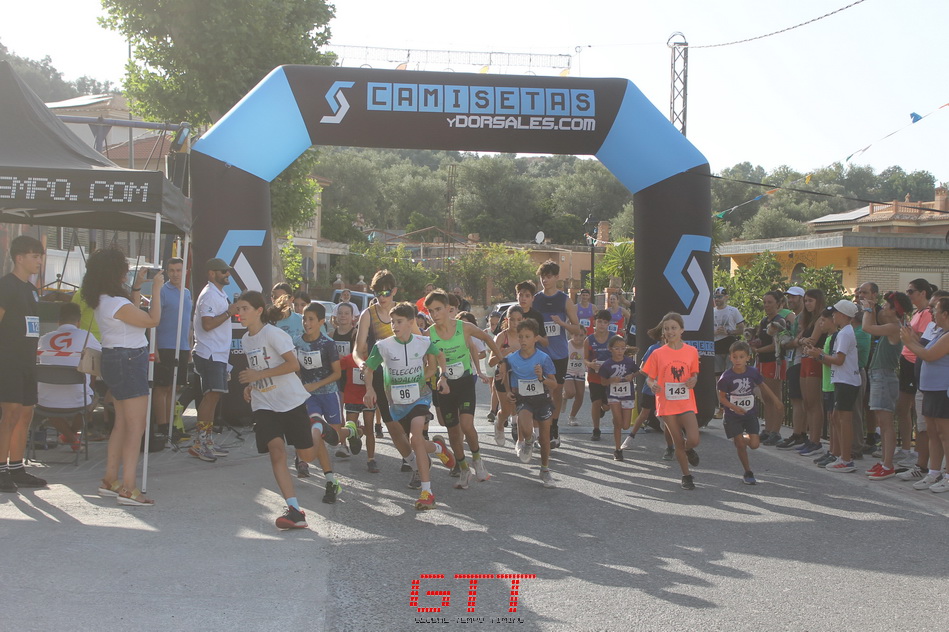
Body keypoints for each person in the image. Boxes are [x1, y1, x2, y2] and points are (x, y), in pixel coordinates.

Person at [82, 247, 163, 505]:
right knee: (136, 426)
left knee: (122, 424)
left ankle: (110, 479)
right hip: (129, 360)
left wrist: (137, 288)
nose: (125, 273)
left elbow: (133, 316)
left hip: (115, 358)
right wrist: (156, 289)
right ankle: (129, 487)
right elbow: (152, 320)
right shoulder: (116, 303)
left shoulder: (104, 300)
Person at [234, 291, 318, 529]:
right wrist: (252, 385)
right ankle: (294, 510)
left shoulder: (273, 334)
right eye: (238, 309)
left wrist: (258, 375)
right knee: (276, 451)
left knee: (307, 456)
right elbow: (258, 369)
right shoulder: (246, 339)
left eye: (245, 308)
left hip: (290, 401)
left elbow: (293, 365)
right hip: (264, 404)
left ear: (259, 310)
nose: (240, 313)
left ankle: (321, 429)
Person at [363, 301, 454, 510]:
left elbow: (440, 356)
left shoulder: (423, 342)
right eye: (392, 322)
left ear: (411, 322)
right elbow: (369, 368)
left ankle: (427, 492)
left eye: (399, 321)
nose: (394, 325)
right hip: (397, 403)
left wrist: (443, 376)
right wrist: (369, 389)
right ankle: (438, 448)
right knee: (417, 443)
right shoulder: (383, 346)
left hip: (420, 398)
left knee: (415, 437)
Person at [354, 270, 429, 487]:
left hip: (408, 376)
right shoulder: (368, 314)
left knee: (412, 427)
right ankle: (416, 467)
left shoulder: (405, 311)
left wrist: (429, 369)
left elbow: (421, 342)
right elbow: (358, 349)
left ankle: (423, 458)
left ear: (394, 291)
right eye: (377, 293)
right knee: (393, 427)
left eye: (386, 292)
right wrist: (361, 363)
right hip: (383, 378)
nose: (381, 297)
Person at [426, 292, 501, 488]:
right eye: (431, 311)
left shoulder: (464, 327)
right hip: (445, 385)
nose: (435, 314)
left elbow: (486, 338)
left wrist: (501, 361)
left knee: (467, 425)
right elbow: (431, 366)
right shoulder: (429, 334)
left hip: (465, 382)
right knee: (452, 432)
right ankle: (464, 469)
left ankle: (477, 460)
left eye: (438, 309)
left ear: (448, 308)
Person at [294, 301, 357, 503]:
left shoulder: (328, 343)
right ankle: (330, 480)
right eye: (304, 319)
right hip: (309, 397)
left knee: (335, 438)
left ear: (321, 321)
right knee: (317, 431)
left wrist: (316, 384)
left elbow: (337, 373)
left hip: (329, 395)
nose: (307, 323)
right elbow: (295, 368)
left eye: (311, 319)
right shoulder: (297, 342)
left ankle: (351, 431)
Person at [0, 235, 48, 493]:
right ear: (19, 258)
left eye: (40, 256)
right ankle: (1, 470)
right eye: (35, 256)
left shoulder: (31, 289)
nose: (39, 261)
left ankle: (17, 467)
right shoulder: (6, 286)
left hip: (29, 360)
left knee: (26, 413)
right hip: (8, 360)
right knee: (10, 413)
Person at [643, 312, 701, 490]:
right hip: (666, 403)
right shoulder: (657, 353)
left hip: (686, 401)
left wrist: (694, 379)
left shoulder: (691, 351)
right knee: (678, 441)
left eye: (674, 328)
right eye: (666, 328)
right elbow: (649, 378)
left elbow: (694, 373)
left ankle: (689, 449)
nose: (670, 331)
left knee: (693, 439)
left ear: (682, 330)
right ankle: (686, 476)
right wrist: (653, 385)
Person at [499, 319, 558, 488]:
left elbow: (554, 384)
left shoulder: (543, 358)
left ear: (535, 338)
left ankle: (545, 470)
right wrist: (508, 391)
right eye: (521, 337)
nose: (523, 340)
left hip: (542, 399)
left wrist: (541, 378)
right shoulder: (512, 358)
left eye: (527, 336)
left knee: (545, 438)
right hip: (523, 399)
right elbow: (504, 375)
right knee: (525, 428)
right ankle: (529, 440)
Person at [804, 300, 861, 473]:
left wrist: (819, 355)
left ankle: (846, 459)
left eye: (835, 313)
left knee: (844, 420)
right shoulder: (845, 332)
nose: (833, 315)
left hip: (846, 381)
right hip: (843, 380)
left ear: (843, 315)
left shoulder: (845, 333)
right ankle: (841, 456)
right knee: (837, 418)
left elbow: (839, 360)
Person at [191, 257, 239, 463]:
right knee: (210, 397)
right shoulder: (209, 294)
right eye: (223, 271)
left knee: (214, 397)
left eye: (228, 271)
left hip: (218, 354)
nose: (227, 274)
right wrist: (229, 312)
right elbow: (208, 324)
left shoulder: (218, 293)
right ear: (212, 274)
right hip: (209, 353)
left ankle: (207, 441)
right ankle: (200, 443)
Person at [36, 302, 102, 451]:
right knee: (93, 398)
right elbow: (99, 358)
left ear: (58, 321)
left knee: (49, 403)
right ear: (78, 321)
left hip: (45, 401)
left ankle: (70, 437)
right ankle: (72, 438)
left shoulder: (44, 339)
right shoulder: (86, 336)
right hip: (78, 400)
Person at [861, 291, 911, 480]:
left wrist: (868, 309)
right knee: (882, 422)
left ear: (893, 310)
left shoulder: (893, 326)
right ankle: (884, 461)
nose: (883, 308)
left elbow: (867, 327)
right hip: (880, 376)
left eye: (887, 306)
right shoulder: (893, 325)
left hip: (884, 377)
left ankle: (888, 465)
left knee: (886, 423)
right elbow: (874, 323)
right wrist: (872, 309)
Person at [533, 261, 583, 449]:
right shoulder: (536, 299)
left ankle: (553, 427)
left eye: (548, 277)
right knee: (540, 392)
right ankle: (540, 430)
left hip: (560, 353)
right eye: (542, 277)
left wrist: (561, 324)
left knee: (556, 391)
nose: (545, 280)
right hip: (539, 353)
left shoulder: (564, 300)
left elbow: (577, 328)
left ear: (556, 277)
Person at [718, 341, 782, 485]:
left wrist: (776, 400)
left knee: (754, 445)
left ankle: (740, 438)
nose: (738, 360)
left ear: (748, 357)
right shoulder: (726, 377)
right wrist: (734, 407)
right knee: (740, 444)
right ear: (730, 357)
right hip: (732, 416)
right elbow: (721, 398)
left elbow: (763, 385)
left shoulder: (752, 372)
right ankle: (748, 472)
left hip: (749, 414)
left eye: (741, 357)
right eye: (735, 357)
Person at [895, 278, 936, 465]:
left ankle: (916, 454)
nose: (908, 295)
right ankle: (907, 449)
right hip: (907, 361)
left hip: (914, 362)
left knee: (913, 410)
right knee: (904, 408)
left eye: (911, 291)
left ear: (923, 293)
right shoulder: (918, 312)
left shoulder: (927, 313)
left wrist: (909, 335)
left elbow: (922, 340)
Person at [153, 257, 192, 443]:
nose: (175, 274)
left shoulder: (187, 293)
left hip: (182, 346)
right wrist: (155, 348)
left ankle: (171, 426)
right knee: (162, 387)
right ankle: (162, 426)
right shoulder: (162, 291)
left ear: (185, 272)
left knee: (175, 387)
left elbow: (188, 322)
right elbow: (153, 320)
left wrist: (189, 346)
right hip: (165, 346)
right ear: (167, 272)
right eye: (172, 270)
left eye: (179, 270)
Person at [779, 288, 821, 451]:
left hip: (806, 361)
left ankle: (805, 436)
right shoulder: (805, 318)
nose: (791, 300)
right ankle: (803, 435)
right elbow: (798, 339)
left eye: (794, 297)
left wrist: (798, 341)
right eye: (788, 297)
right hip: (799, 361)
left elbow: (808, 340)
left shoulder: (814, 317)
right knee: (803, 401)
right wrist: (798, 341)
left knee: (807, 402)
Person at [789, 289, 828, 458]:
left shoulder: (821, 318)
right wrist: (802, 340)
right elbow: (796, 340)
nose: (807, 304)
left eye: (810, 300)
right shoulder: (808, 319)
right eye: (805, 301)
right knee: (807, 403)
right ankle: (811, 439)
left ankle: (816, 440)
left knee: (814, 402)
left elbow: (812, 340)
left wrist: (802, 341)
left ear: (818, 301)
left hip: (814, 361)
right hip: (804, 360)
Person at [750, 290, 788, 445]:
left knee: (774, 396)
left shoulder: (780, 321)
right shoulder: (764, 321)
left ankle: (775, 431)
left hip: (774, 361)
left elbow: (776, 345)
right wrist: (753, 343)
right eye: (765, 302)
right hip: (763, 362)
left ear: (778, 304)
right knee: (766, 397)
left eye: (770, 302)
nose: (766, 305)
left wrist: (758, 350)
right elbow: (762, 339)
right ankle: (768, 429)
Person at [489, 305, 525, 446]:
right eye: (512, 320)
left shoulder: (525, 336)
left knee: (521, 408)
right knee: (506, 410)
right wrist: (508, 350)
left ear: (523, 320)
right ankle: (499, 423)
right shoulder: (501, 337)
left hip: (520, 375)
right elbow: (491, 362)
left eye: (519, 320)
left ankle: (521, 439)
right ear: (506, 320)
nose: (515, 323)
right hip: (503, 376)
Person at [598, 335, 638, 461]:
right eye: (617, 348)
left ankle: (616, 421)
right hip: (613, 395)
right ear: (610, 349)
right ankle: (617, 450)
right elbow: (603, 382)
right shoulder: (607, 365)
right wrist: (611, 380)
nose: (620, 351)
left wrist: (632, 376)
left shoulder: (629, 362)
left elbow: (638, 371)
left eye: (622, 348)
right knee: (618, 423)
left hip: (627, 394)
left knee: (625, 425)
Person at [584, 309, 613, 441]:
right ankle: (596, 429)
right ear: (595, 322)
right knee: (596, 402)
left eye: (605, 322)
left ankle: (603, 408)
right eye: (600, 321)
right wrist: (590, 364)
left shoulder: (614, 338)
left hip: (609, 378)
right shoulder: (588, 340)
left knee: (607, 406)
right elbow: (585, 359)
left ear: (608, 324)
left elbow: (619, 355)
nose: (602, 325)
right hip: (594, 376)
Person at [712, 287, 745, 393]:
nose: (717, 299)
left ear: (726, 297)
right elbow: (705, 330)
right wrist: (714, 332)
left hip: (729, 345)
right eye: (715, 297)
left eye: (720, 297)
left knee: (730, 375)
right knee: (718, 378)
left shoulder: (733, 310)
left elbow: (742, 329)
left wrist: (729, 332)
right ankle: (721, 402)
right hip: (716, 346)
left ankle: (732, 399)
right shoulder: (711, 312)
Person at [563, 329, 587, 425]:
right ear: (571, 335)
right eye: (576, 335)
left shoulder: (586, 345)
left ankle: (572, 417)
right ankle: (564, 396)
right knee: (571, 392)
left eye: (581, 335)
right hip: (568, 371)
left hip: (580, 372)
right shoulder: (567, 345)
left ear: (585, 335)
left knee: (580, 396)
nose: (578, 338)